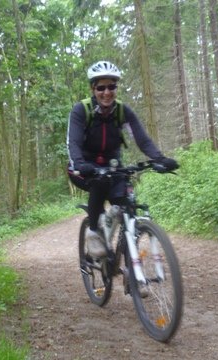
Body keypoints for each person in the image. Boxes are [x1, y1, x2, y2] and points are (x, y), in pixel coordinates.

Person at [67, 60, 178, 258]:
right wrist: (80, 164)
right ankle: (93, 233)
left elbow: (141, 139)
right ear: (93, 89)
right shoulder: (81, 110)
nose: (107, 92)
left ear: (116, 88)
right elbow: (73, 142)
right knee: (99, 183)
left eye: (111, 86)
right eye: (101, 87)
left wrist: (160, 158)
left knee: (127, 206)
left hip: (112, 167)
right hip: (83, 167)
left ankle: (132, 274)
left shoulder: (121, 111)